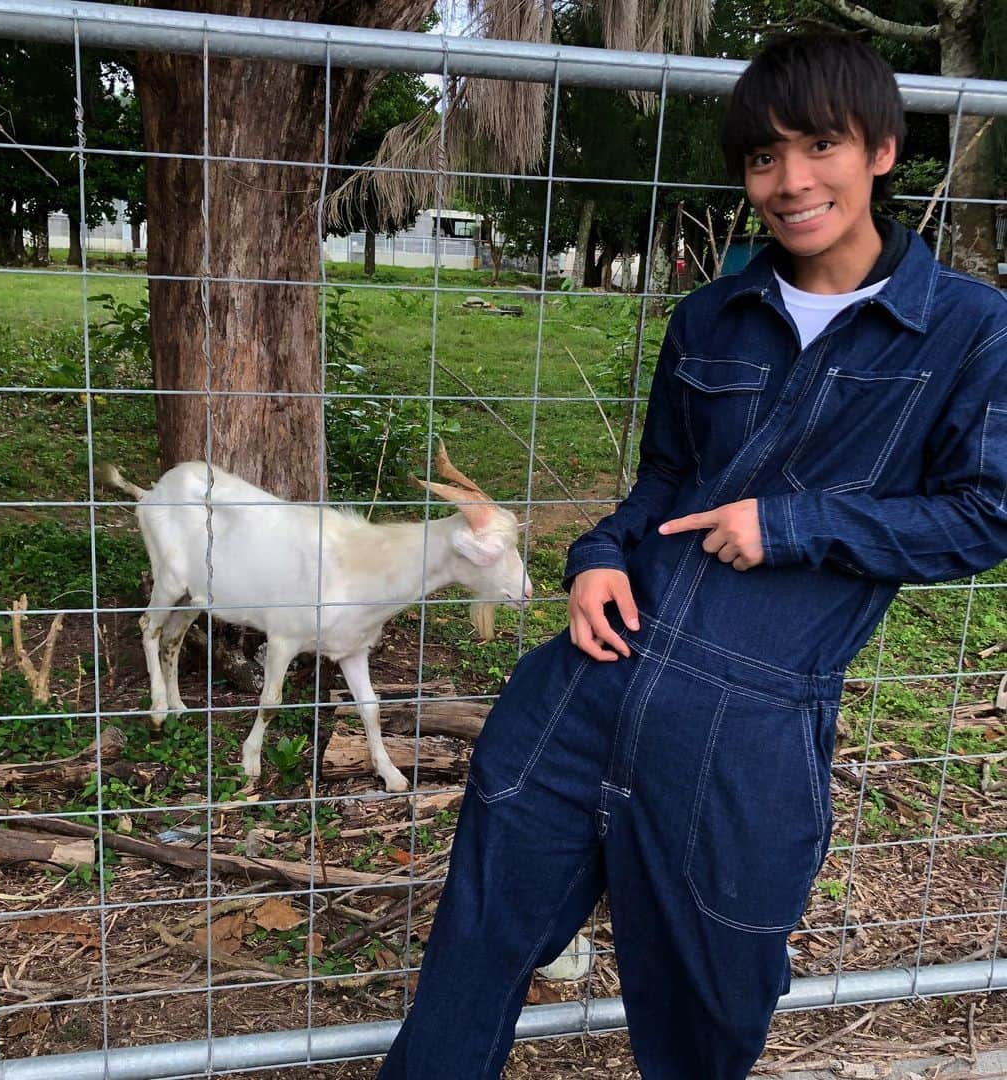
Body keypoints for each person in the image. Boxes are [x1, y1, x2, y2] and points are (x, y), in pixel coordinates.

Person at [377, 32, 1007, 1079]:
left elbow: (986, 515)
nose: (791, 182)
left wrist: (795, 524)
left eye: (820, 147)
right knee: (469, 965)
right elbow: (663, 482)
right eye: (764, 159)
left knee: (711, 1014)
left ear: (884, 149)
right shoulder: (713, 315)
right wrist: (596, 555)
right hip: (587, 691)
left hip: (749, 725)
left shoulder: (969, 330)